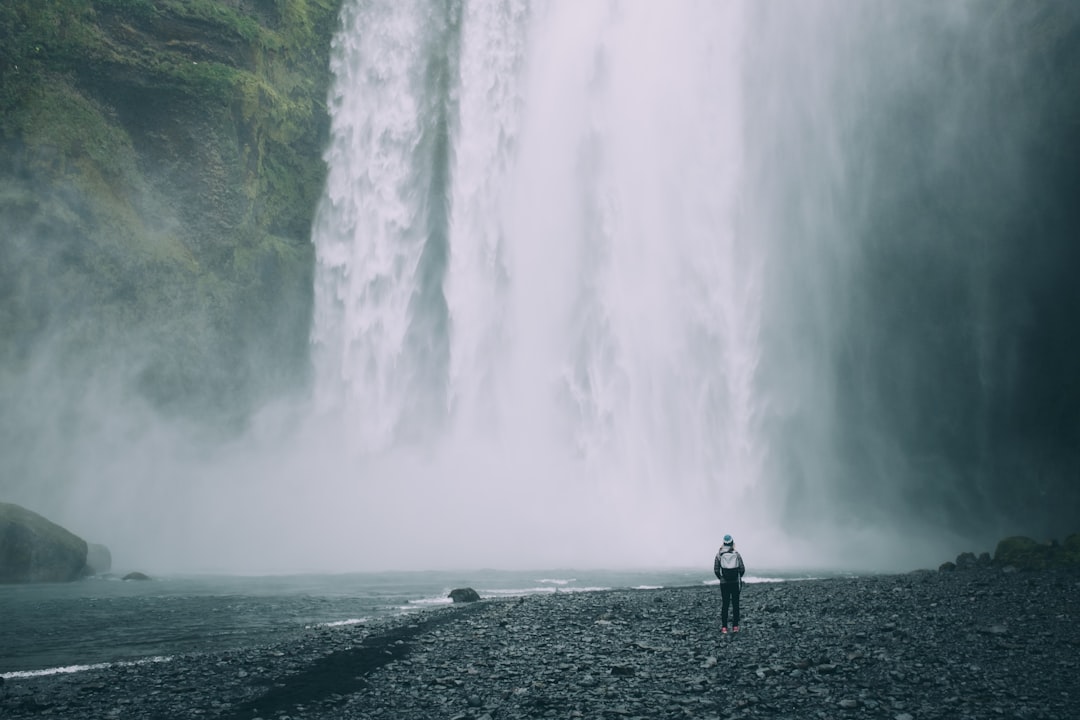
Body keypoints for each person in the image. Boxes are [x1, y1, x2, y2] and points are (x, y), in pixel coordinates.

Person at [713, 534, 745, 634]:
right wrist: (737, 576)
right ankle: (735, 627)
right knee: (735, 604)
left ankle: (724, 628)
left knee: (725, 604)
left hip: (724, 583)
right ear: (732, 543)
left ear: (723, 543)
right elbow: (742, 569)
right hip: (735, 582)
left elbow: (716, 569)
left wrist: (721, 578)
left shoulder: (719, 554)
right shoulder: (736, 553)